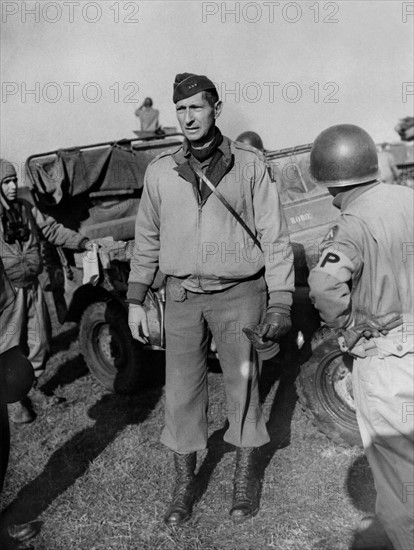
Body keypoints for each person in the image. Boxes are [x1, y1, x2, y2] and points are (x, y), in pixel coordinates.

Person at [127, 72, 294, 525]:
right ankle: (184, 485)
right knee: (181, 393)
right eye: (181, 109)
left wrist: (279, 299)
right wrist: (136, 297)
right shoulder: (161, 169)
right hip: (181, 297)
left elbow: (275, 237)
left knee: (243, 386)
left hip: (240, 295)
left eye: (196, 107)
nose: (188, 117)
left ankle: (244, 479)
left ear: (216, 109)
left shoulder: (250, 164)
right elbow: (146, 237)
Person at [307, 124, 413, 550]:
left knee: (399, 472)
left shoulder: (352, 223)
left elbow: (324, 285)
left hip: (388, 354)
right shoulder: (409, 196)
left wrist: (347, 326)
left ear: (331, 180)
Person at [0, 159, 93, 424]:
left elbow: (50, 229)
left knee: (39, 339)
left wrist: (81, 241)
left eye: (13, 181)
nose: (11, 186)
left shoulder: (25, 208)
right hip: (6, 293)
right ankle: (13, 400)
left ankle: (32, 387)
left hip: (32, 285)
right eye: (5, 182)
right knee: (9, 347)